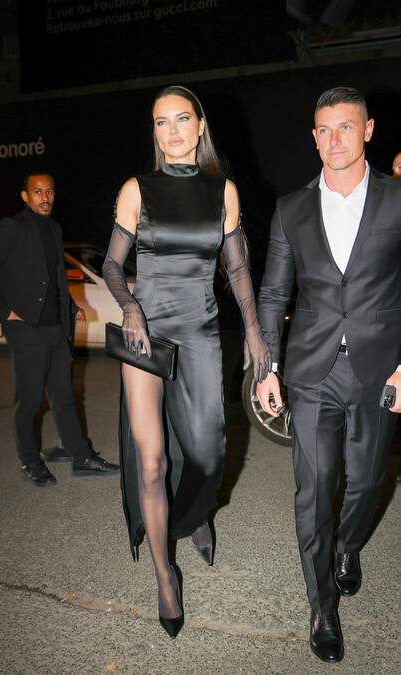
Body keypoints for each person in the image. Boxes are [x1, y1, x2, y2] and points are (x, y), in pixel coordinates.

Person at [102, 85, 271, 638]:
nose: (171, 131)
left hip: (199, 330)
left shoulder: (223, 192)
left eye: (181, 119)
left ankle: (195, 514)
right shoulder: (137, 189)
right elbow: (111, 264)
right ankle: (164, 576)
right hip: (145, 334)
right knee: (152, 463)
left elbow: (238, 268)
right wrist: (130, 307)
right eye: (161, 122)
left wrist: (255, 333)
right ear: (154, 132)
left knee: (206, 454)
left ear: (200, 126)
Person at [256, 87, 401, 663]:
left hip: (379, 369)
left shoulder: (397, 199)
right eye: (324, 129)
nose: (334, 138)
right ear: (314, 137)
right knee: (314, 491)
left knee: (366, 483)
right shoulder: (290, 208)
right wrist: (267, 367)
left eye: (345, 126)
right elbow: (273, 294)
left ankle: (348, 544)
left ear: (368, 130)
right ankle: (321, 607)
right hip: (312, 372)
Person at [0, 172, 120, 486]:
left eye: (50, 192)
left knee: (64, 396)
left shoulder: (54, 228)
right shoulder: (12, 227)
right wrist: (4, 312)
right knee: (29, 401)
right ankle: (30, 461)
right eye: (38, 192)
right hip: (27, 330)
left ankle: (81, 456)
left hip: (57, 328)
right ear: (25, 196)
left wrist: (70, 307)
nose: (45, 198)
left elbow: (54, 277)